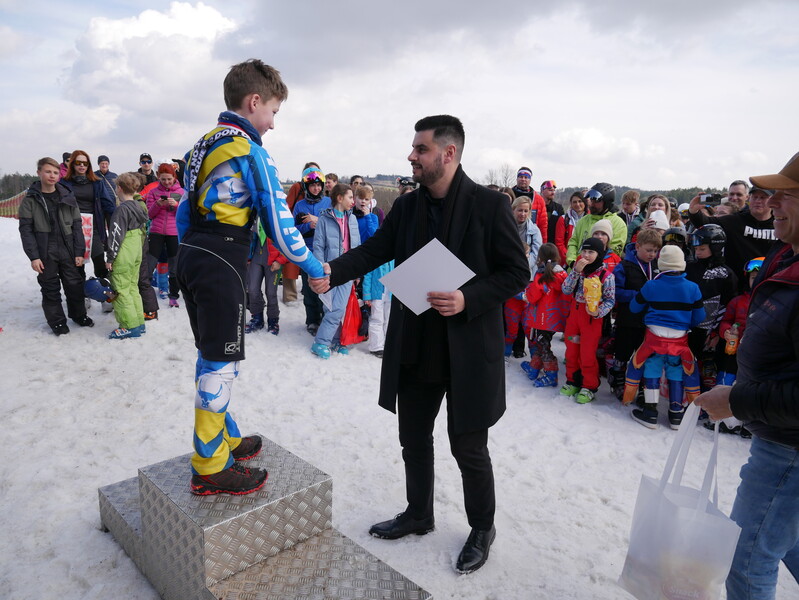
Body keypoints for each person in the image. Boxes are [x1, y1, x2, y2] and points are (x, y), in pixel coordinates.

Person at [309, 115, 529, 574]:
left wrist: (468, 298)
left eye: (420, 149)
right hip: (415, 343)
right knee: (412, 437)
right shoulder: (407, 206)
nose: (411, 156)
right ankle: (418, 513)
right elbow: (374, 251)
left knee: (468, 448)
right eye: (413, 148)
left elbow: (516, 273)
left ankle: (482, 528)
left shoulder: (490, 205)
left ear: (449, 153)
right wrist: (332, 271)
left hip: (468, 350)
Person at [176, 59, 326, 496]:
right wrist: (314, 267)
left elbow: (185, 209)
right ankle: (209, 465)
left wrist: (194, 255)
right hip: (222, 257)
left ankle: (225, 437)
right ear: (254, 101)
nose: (273, 123)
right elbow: (279, 221)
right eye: (273, 112)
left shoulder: (203, 144)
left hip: (194, 253)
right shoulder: (248, 149)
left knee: (214, 354)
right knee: (220, 363)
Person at [694, 152, 799, 600]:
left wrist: (736, 401)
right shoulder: (786, 254)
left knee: (748, 560)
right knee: (786, 542)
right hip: (778, 438)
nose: (770, 203)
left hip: (789, 452)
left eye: (785, 194)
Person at [623, 246, 705, 429]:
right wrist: (684, 324)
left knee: (652, 368)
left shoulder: (651, 285)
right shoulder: (693, 288)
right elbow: (699, 317)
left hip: (653, 339)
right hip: (679, 340)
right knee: (676, 371)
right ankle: (676, 414)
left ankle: (650, 412)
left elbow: (634, 308)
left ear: (661, 264)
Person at [18, 157, 92, 335]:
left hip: (67, 249)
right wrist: (34, 257)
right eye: (48, 172)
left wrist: (79, 251)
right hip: (45, 251)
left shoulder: (67, 196)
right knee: (50, 287)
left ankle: (79, 315)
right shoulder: (30, 200)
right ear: (39, 173)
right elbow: (26, 230)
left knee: (74, 284)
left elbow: (77, 226)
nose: (52, 175)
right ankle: (57, 322)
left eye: (55, 172)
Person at [607, 228, 662, 401]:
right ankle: (618, 379)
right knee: (622, 352)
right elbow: (616, 291)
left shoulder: (657, 266)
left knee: (643, 354)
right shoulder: (624, 266)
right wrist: (638, 295)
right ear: (637, 247)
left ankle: (641, 386)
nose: (652, 254)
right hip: (627, 319)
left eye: (655, 251)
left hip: (648, 321)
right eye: (649, 250)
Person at [560, 237, 616, 404]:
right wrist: (575, 271)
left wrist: (599, 312)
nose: (586, 255)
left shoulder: (606, 276)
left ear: (599, 254)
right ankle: (572, 381)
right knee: (571, 351)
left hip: (591, 320)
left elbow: (610, 300)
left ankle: (589, 386)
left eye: (591, 252)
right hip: (574, 318)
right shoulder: (579, 271)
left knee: (587, 353)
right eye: (584, 251)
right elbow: (566, 289)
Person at [688, 184, 775, 289]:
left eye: (763, 197)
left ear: (773, 200)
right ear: (749, 198)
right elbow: (706, 224)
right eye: (755, 197)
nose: (758, 201)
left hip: (772, 286)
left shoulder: (781, 223)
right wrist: (693, 211)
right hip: (738, 287)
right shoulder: (736, 221)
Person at [310, 183, 361, 358]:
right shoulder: (324, 220)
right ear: (339, 198)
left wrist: (357, 271)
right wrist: (319, 270)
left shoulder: (352, 219)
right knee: (332, 308)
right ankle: (323, 342)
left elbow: (357, 247)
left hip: (348, 270)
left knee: (340, 308)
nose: (353, 201)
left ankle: (333, 340)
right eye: (350, 197)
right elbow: (318, 246)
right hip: (329, 270)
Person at [685, 224, 738, 390]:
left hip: (712, 330)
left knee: (707, 369)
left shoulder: (726, 274)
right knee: (687, 364)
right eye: (696, 249)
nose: (698, 252)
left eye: (702, 249)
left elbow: (729, 304)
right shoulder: (689, 268)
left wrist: (716, 331)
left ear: (716, 248)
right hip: (688, 325)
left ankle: (705, 397)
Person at [105, 172, 149, 339]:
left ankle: (129, 326)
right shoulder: (139, 206)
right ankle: (138, 322)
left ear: (119, 188)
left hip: (124, 251)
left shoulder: (122, 210)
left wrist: (110, 257)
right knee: (132, 287)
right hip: (136, 249)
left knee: (121, 288)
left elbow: (116, 234)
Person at [61, 150, 115, 280]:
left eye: (85, 163)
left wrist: (121, 215)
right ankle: (80, 290)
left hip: (93, 227)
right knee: (77, 264)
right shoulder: (64, 183)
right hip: (73, 228)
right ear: (72, 164)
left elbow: (107, 204)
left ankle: (103, 289)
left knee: (100, 263)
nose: (82, 165)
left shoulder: (97, 182)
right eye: (78, 162)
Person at [520, 243, 569, 387]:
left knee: (543, 345)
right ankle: (534, 367)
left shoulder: (542, 275)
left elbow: (533, 296)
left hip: (542, 319)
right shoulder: (563, 274)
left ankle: (551, 374)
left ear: (540, 257)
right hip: (555, 318)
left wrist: (525, 294)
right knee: (541, 343)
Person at [293, 167, 332, 334]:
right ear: (306, 187)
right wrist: (308, 226)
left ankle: (326, 318)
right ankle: (312, 320)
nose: (316, 188)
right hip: (307, 252)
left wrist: (319, 221)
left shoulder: (329, 203)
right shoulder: (300, 205)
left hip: (326, 252)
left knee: (325, 286)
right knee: (309, 288)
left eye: (318, 185)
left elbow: (337, 223)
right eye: (312, 186)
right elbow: (293, 230)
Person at [145, 163, 184, 307]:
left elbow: (185, 215)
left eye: (169, 179)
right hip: (156, 232)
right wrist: (158, 204)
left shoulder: (181, 192)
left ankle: (173, 295)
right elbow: (149, 215)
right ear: (158, 178)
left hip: (174, 233)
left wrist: (177, 206)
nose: (166, 182)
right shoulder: (153, 192)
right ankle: (145, 294)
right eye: (163, 179)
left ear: (174, 177)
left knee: (174, 266)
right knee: (149, 264)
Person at [283, 162, 320, 304]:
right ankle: (290, 297)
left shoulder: (324, 197)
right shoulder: (297, 188)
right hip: (298, 228)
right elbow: (288, 206)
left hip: (316, 239)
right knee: (291, 263)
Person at [566, 182, 627, 263]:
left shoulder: (618, 224)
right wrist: (572, 261)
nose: (591, 204)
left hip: (602, 269)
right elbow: (573, 242)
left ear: (606, 202)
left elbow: (614, 251)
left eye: (596, 201)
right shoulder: (584, 220)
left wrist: (592, 266)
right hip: (577, 267)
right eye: (591, 200)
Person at [244, 223, 287, 335]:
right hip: (256, 257)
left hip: (273, 261)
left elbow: (290, 241)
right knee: (252, 290)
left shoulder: (279, 215)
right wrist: (248, 256)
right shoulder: (256, 215)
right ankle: (257, 318)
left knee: (271, 292)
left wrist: (280, 261)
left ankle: (273, 321)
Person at [511, 167, 548, 242]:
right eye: (521, 177)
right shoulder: (508, 196)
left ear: (530, 180)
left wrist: (543, 244)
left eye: (526, 177)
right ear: (517, 179)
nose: (523, 179)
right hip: (510, 234)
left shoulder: (538, 199)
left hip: (530, 239)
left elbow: (543, 225)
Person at [554, 190, 586, 264]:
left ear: (584, 203)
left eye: (580, 201)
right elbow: (559, 243)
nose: (577, 204)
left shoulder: (590, 219)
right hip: (567, 261)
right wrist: (570, 260)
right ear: (571, 204)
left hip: (586, 260)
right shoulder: (563, 219)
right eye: (574, 202)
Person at [540, 179, 564, 245]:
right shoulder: (536, 206)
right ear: (542, 190)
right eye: (550, 190)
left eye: (554, 190)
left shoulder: (558, 208)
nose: (553, 192)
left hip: (553, 244)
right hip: (538, 243)